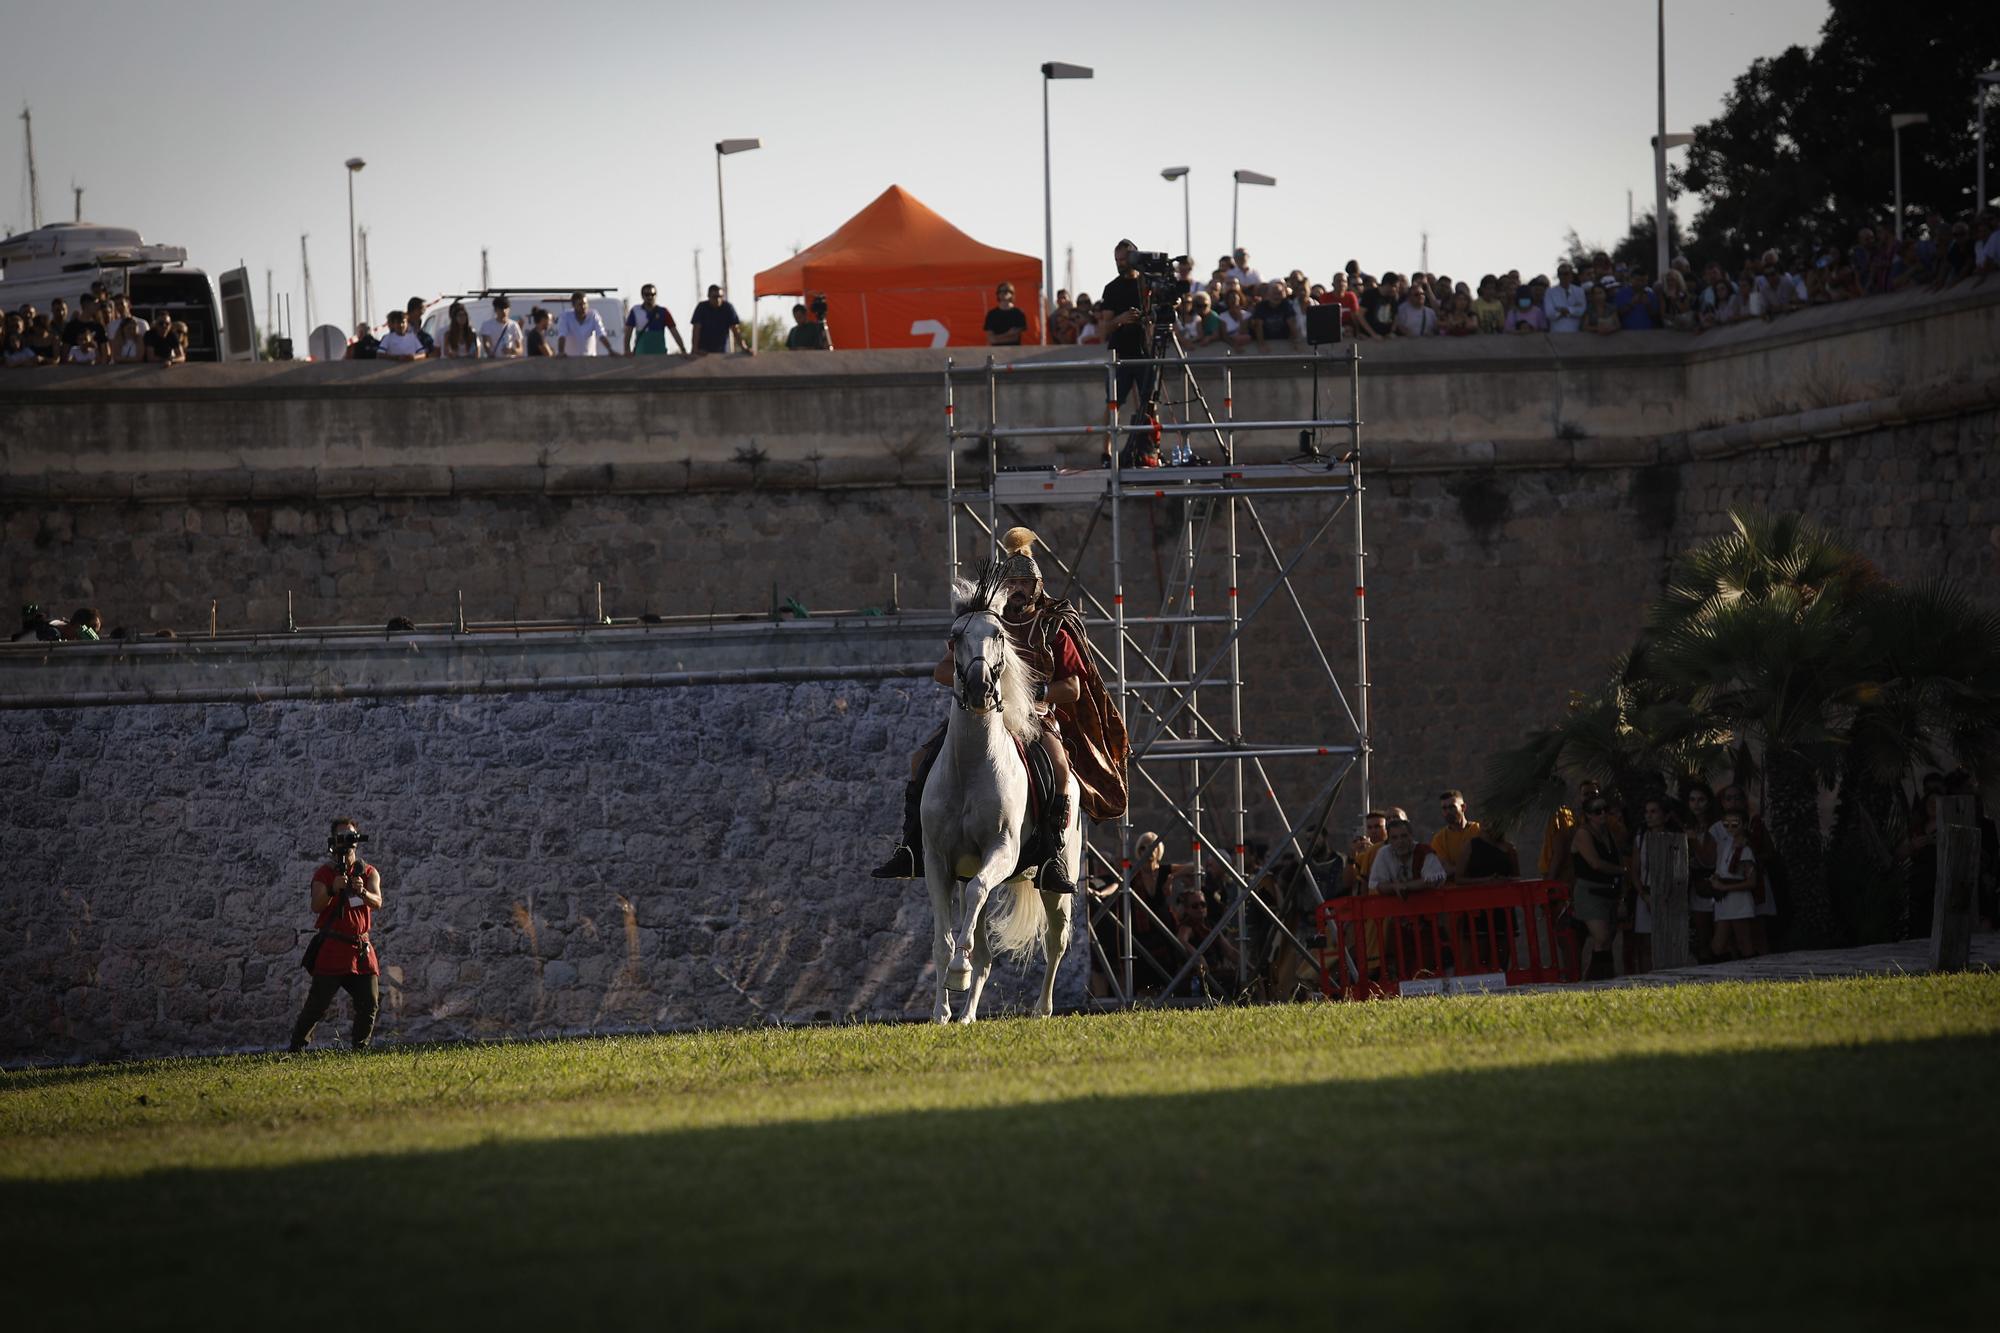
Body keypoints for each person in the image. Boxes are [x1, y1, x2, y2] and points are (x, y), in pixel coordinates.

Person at [870, 527, 1129, 895]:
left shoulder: (1053, 627)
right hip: (980, 711)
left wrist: (1029, 691)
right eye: (1012, 581)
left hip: (1034, 716)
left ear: (1037, 586)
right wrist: (968, 677)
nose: (1018, 588)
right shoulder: (985, 624)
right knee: (918, 761)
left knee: (1059, 768)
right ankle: (910, 848)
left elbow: (1072, 689)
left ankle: (1052, 856)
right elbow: (942, 670)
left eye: (1025, 581)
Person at [287, 817, 384, 1051]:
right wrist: (333, 888)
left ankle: (359, 1048)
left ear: (357, 841)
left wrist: (362, 893)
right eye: (342, 837)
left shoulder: (369, 872)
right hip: (333, 948)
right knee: (317, 1005)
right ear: (334, 840)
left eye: (351, 837)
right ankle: (295, 1049)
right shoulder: (324, 873)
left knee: (369, 1002)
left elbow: (377, 902)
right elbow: (316, 905)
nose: (347, 842)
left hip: (360, 950)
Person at [1099, 241, 1157, 454]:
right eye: (1116, 260)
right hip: (1121, 353)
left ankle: (1149, 447)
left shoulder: (1147, 285)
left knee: (1148, 402)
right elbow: (1104, 329)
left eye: (1123, 259)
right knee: (1113, 403)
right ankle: (1106, 451)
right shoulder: (1112, 288)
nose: (1120, 264)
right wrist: (1121, 319)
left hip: (1145, 350)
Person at [1569, 794, 1625, 979]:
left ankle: (1602, 976)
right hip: (1590, 891)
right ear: (1588, 815)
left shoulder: (1608, 832)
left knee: (1607, 938)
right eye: (1597, 811)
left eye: (1605, 810)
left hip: (1608, 890)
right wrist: (1622, 870)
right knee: (1601, 937)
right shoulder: (1583, 833)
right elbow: (1595, 863)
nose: (1602, 814)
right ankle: (1595, 978)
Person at [1709, 810, 1763, 960]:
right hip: (1724, 901)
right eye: (1726, 824)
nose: (1730, 827)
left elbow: (1751, 881)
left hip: (1739, 901)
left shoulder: (1745, 850)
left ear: (1744, 825)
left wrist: (1725, 887)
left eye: (1735, 824)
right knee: (1718, 945)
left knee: (1744, 942)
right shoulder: (1726, 845)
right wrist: (1716, 879)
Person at [1430, 790, 1482, 878]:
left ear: (1463, 807)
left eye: (1452, 807)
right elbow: (1446, 869)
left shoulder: (1478, 830)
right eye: (1444, 808)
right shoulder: (1439, 840)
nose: (1448, 811)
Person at [625, 283, 687, 355]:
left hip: (660, 354)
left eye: (653, 294)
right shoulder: (636, 311)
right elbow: (628, 332)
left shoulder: (663, 312)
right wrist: (627, 350)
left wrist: (683, 349)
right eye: (647, 295)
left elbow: (674, 331)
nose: (650, 297)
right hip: (641, 354)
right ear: (642, 296)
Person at [688, 285, 747, 356]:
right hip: (703, 351)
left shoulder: (727, 308)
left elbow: (735, 329)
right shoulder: (702, 308)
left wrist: (744, 347)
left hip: (721, 351)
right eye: (715, 297)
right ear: (709, 296)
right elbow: (696, 329)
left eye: (720, 297)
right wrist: (695, 349)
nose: (718, 299)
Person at [556, 291, 614, 357]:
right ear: (573, 305)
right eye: (580, 304)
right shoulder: (565, 316)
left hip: (590, 359)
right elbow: (562, 335)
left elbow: (601, 334)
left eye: (585, 304)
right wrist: (561, 352)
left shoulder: (593, 315)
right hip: (571, 360)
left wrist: (610, 350)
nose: (583, 307)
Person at [1545, 263, 1587, 332]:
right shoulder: (1550, 292)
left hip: (1576, 332)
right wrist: (1572, 311)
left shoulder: (1579, 291)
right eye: (1561, 274)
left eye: (1566, 273)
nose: (1564, 276)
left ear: (1571, 275)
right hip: (1556, 332)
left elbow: (1582, 310)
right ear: (1558, 276)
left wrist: (1567, 310)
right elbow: (1549, 313)